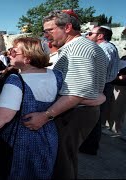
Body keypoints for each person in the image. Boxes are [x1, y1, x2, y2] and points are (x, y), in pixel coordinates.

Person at [22, 10, 108, 179]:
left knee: (61, 162)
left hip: (72, 112)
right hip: (77, 110)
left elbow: (75, 92)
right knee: (65, 158)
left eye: (49, 30)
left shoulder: (77, 49)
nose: (46, 35)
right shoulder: (86, 47)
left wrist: (45, 115)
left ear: (67, 27)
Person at [0, 37, 62, 179]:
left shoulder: (16, 80)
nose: (9, 54)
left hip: (20, 141)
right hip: (49, 135)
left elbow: (3, 117)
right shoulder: (57, 75)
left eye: (14, 52)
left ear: (28, 58)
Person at [80, 25, 120, 155]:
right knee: (95, 117)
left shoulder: (103, 48)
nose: (87, 36)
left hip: (101, 86)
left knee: (94, 117)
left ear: (100, 36)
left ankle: (89, 147)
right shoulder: (110, 47)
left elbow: (100, 69)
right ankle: (89, 146)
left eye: (91, 33)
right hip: (104, 85)